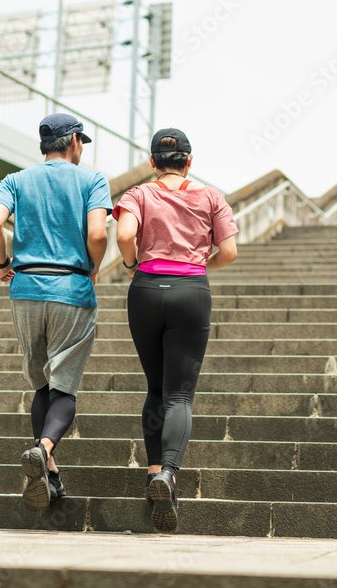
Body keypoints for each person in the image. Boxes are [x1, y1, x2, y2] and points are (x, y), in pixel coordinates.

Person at [0, 113, 112, 514]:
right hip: (70, 289)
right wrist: (93, 267)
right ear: (73, 140)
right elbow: (97, 234)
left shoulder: (15, 180)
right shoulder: (93, 181)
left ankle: (49, 472)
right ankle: (43, 447)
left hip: (25, 289)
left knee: (41, 383)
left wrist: (2, 262)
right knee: (65, 386)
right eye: (81, 142)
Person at [113, 127, 238, 532]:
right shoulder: (210, 196)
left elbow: (124, 234)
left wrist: (132, 264)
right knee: (180, 392)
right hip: (190, 290)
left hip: (146, 289)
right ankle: (169, 472)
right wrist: (200, 266)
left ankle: (153, 474)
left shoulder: (138, 195)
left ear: (152, 162)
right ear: (189, 160)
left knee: (155, 389)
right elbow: (230, 252)